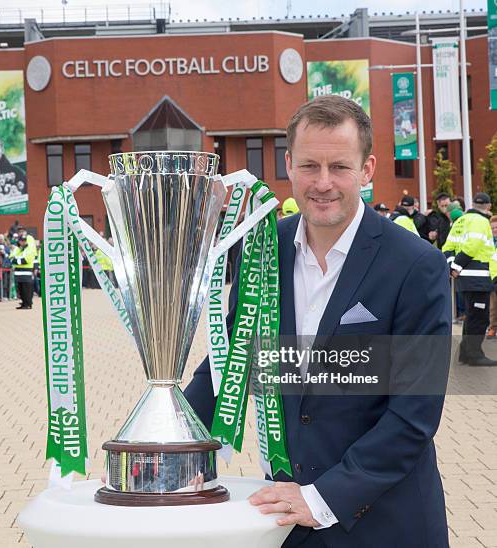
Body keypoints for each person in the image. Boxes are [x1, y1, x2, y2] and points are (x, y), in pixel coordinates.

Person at [185, 95, 451, 547]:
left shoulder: (416, 266)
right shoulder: (263, 249)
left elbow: (413, 416)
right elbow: (228, 363)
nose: (323, 183)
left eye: (340, 167)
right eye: (309, 166)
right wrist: (175, 448)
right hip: (286, 524)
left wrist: (324, 496)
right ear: (289, 164)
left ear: (366, 170)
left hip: (383, 523)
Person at [443, 192, 497, 366]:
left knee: (471, 316)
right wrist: (457, 266)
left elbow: (448, 246)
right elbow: (472, 245)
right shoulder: (481, 222)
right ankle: (474, 355)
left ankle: (466, 354)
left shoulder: (461, 221)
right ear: (488, 207)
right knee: (479, 318)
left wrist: (453, 267)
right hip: (478, 278)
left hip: (464, 280)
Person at [11, 235, 36, 309]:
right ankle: (23, 303)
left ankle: (28, 304)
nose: (23, 242)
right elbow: (11, 258)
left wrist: (17, 261)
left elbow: (26, 260)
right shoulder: (17, 249)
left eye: (24, 240)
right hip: (18, 273)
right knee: (20, 289)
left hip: (26, 272)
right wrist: (18, 261)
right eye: (21, 240)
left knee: (27, 289)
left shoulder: (29, 249)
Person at [488, 215, 497, 339]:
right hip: (491, 277)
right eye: (492, 228)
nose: (494, 230)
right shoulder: (488, 242)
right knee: (493, 305)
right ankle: (493, 328)